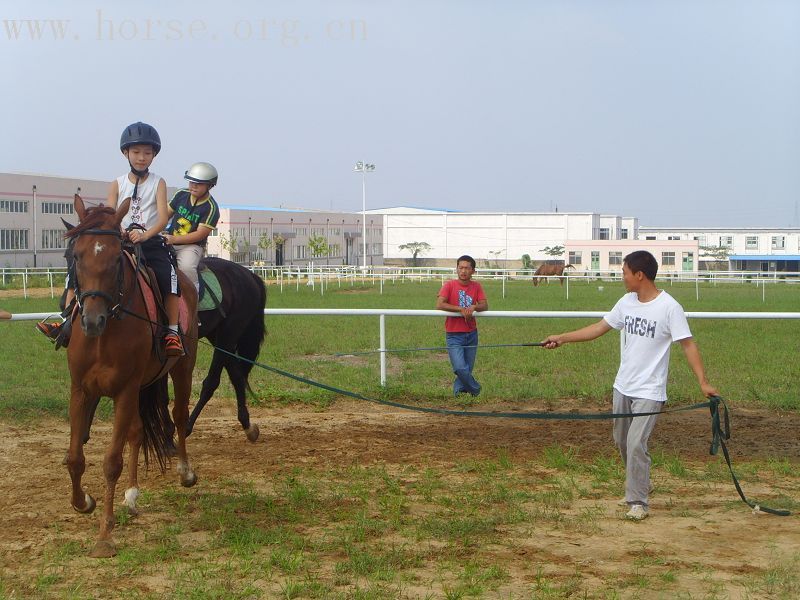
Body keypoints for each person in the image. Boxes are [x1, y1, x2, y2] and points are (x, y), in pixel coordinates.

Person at [541, 250, 718, 521]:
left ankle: (638, 500)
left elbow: (688, 344)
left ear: (639, 275)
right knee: (622, 441)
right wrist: (562, 338)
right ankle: (640, 482)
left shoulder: (670, 307)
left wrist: (703, 382)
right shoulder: (626, 302)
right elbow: (599, 328)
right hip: (623, 386)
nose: (621, 277)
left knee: (636, 443)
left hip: (650, 390)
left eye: (624, 272)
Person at [38, 121, 184, 357]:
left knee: (170, 277)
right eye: (136, 152)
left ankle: (172, 333)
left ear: (154, 155)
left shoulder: (159, 182)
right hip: (121, 240)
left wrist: (145, 234)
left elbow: (161, 217)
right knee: (80, 270)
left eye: (147, 153)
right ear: (125, 153)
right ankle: (64, 322)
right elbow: (110, 213)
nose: (141, 157)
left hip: (150, 241)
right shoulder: (117, 183)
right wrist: (118, 231)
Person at [162, 162, 220, 294]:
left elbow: (200, 234)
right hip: (169, 239)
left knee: (186, 268)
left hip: (191, 246)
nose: (193, 186)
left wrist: (173, 239)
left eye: (198, 183)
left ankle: (193, 297)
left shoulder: (211, 208)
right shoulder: (181, 194)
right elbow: (165, 214)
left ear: (210, 185)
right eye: (191, 182)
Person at [436, 255, 488, 396]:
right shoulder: (449, 285)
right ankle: (476, 390)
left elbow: (485, 305)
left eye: (467, 268)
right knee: (460, 368)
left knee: (467, 368)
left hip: (472, 333)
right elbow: (440, 304)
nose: (463, 271)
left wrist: (474, 307)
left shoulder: (476, 286)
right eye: (461, 268)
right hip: (454, 334)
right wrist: (461, 309)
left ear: (473, 271)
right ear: (457, 269)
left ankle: (459, 393)